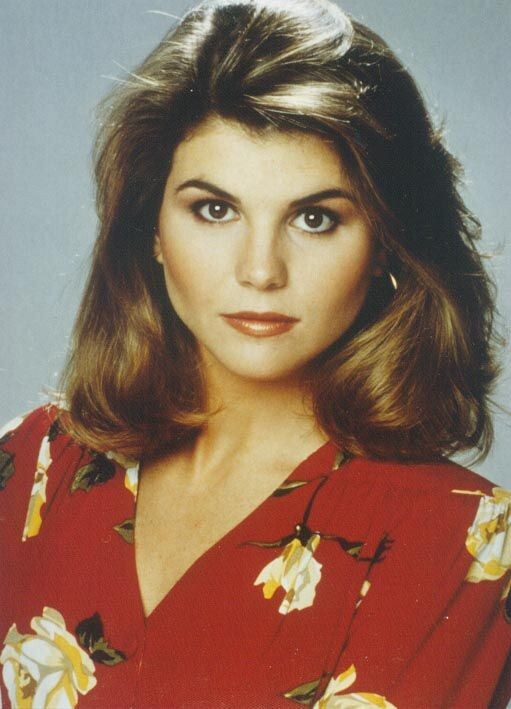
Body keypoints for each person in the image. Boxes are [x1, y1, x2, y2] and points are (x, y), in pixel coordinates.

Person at [0, 0, 509, 706]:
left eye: (314, 218)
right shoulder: (36, 465)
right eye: (215, 209)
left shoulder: (457, 538)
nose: (260, 270)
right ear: (151, 229)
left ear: (384, 246)